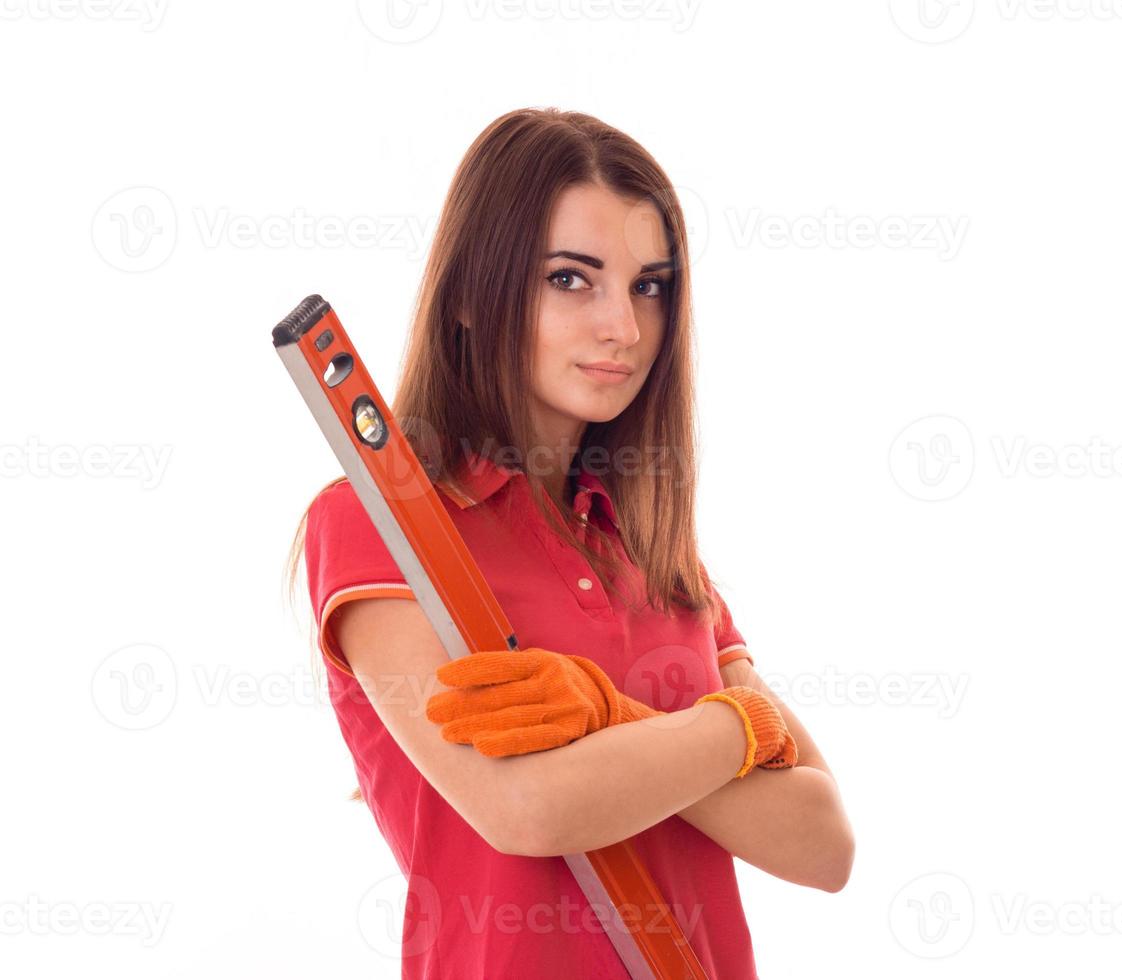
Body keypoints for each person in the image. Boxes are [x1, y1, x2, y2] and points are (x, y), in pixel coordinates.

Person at [283, 107, 855, 979]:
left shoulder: (658, 555)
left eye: (649, 285)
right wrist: (746, 727)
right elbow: (528, 809)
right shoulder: (376, 527)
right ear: (473, 294)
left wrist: (607, 713)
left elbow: (823, 845)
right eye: (571, 279)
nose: (622, 327)